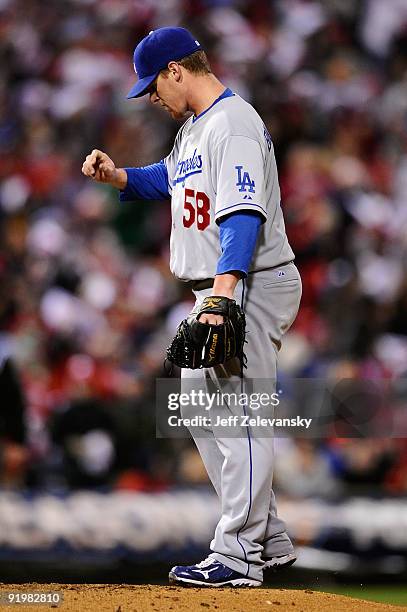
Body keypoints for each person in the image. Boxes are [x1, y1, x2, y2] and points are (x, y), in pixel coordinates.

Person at [82, 26, 302, 588]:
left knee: (239, 416)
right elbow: (175, 181)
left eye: (153, 85)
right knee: (203, 410)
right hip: (222, 285)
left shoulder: (233, 124)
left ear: (177, 70)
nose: (150, 97)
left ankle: (238, 554)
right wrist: (121, 177)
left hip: (245, 281)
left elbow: (243, 215)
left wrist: (224, 294)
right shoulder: (197, 130)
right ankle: (268, 541)